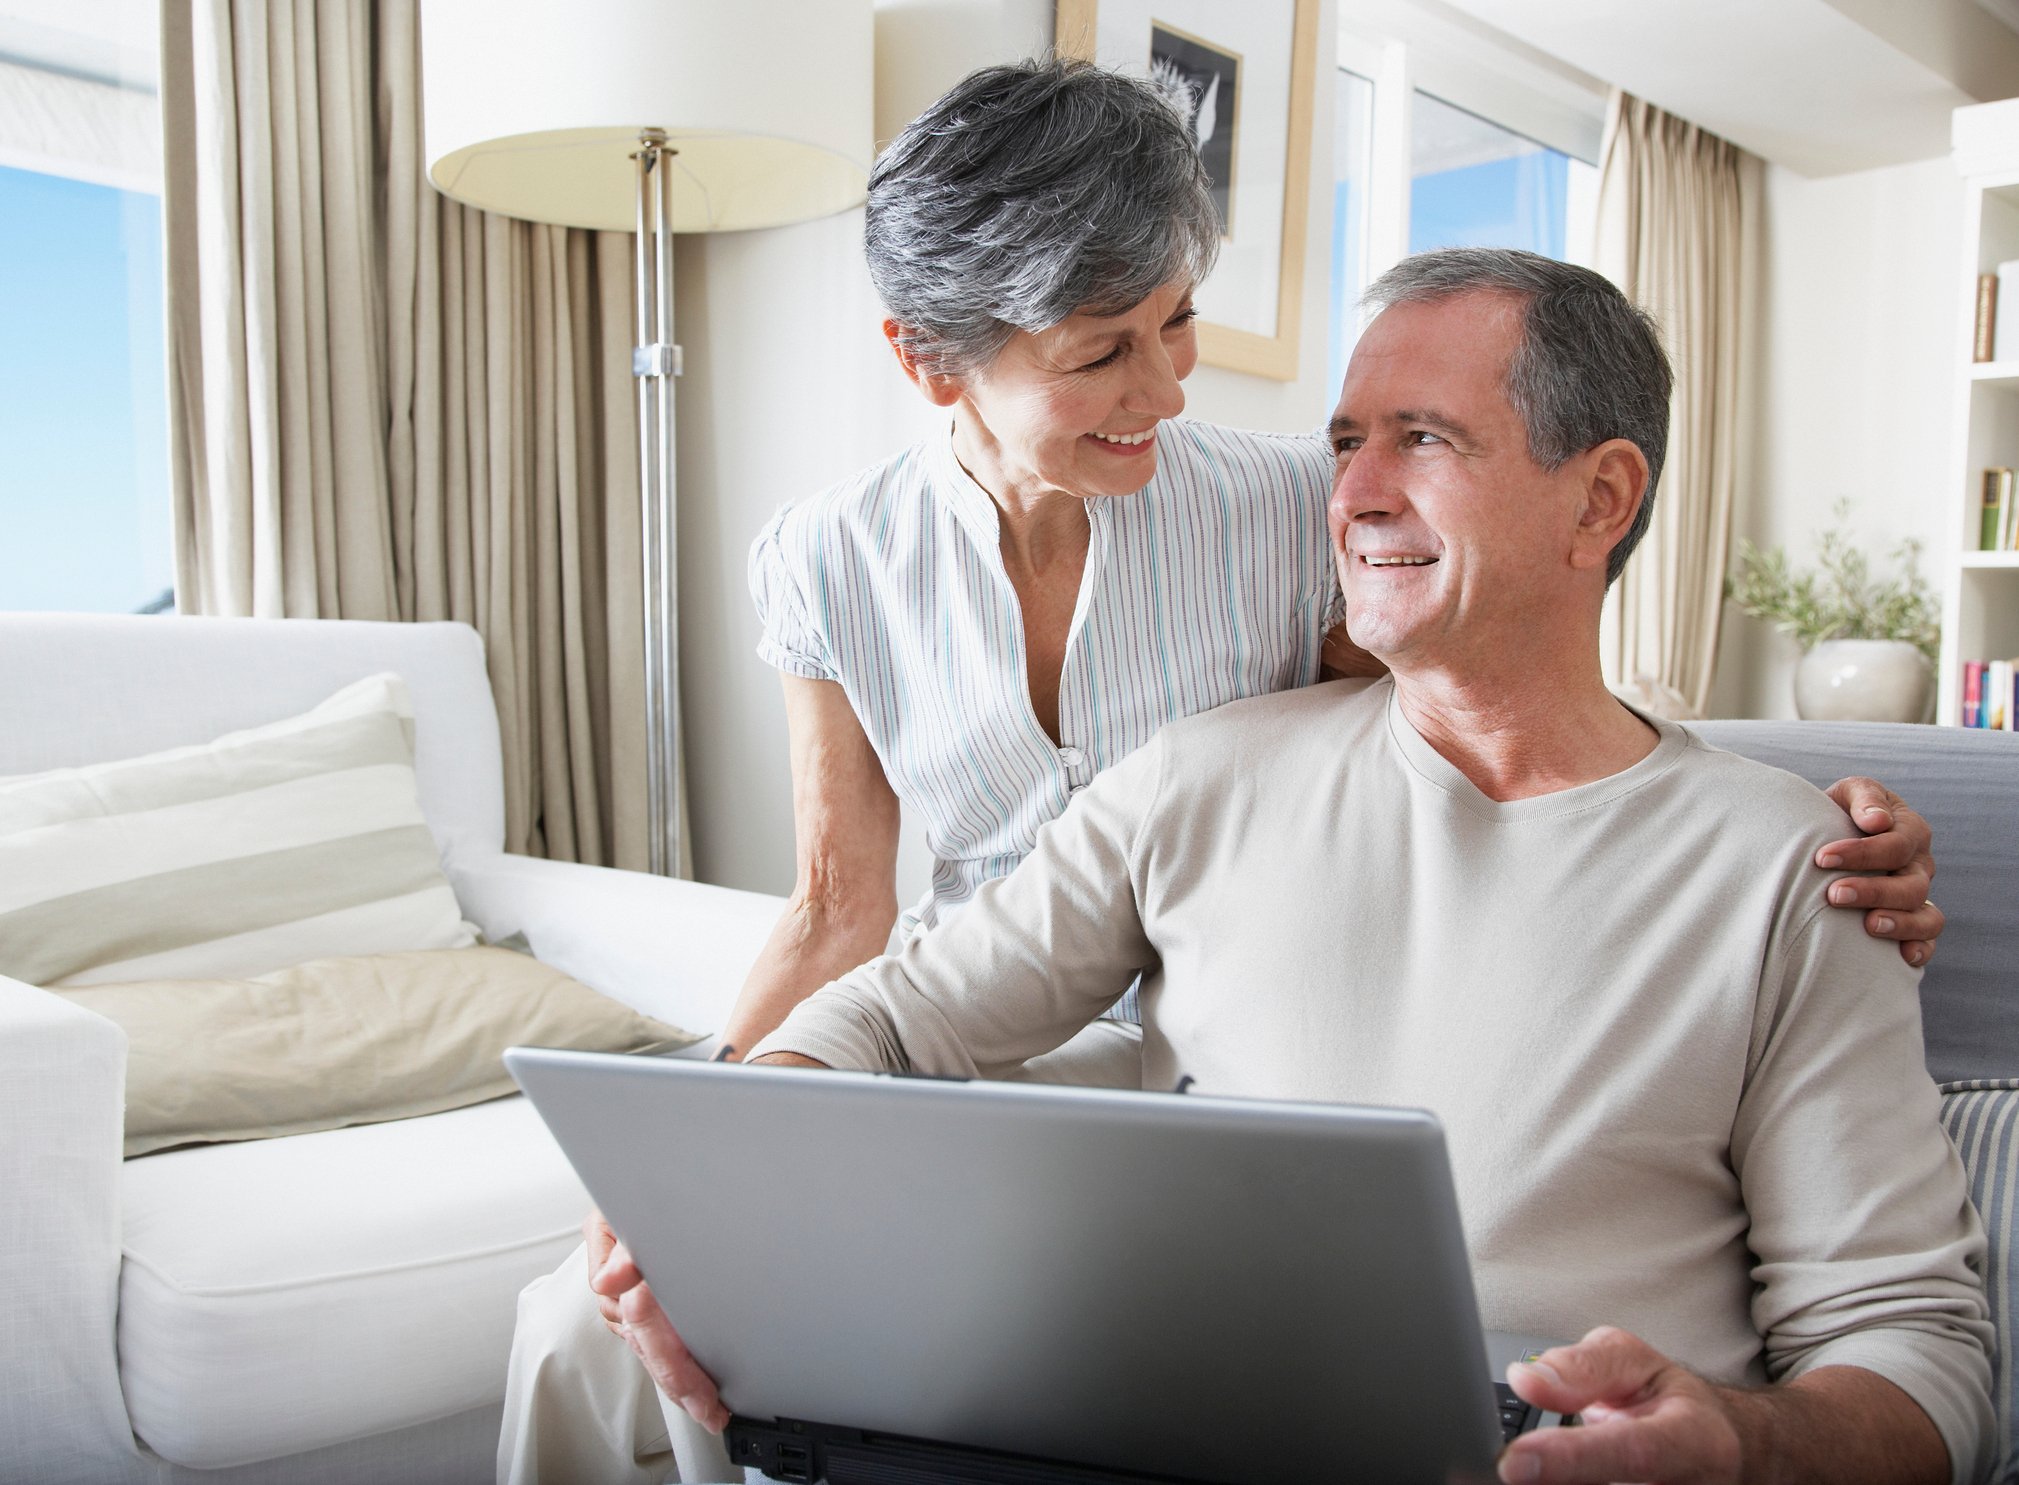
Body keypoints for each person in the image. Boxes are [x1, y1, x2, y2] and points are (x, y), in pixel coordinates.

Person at [498, 62, 1948, 1485]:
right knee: (606, 1317)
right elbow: (840, 909)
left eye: (1177, 323)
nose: (1165, 387)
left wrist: (1779, 815)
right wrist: (703, 1166)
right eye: (1100, 351)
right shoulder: (844, 562)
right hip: (995, 1018)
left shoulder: (1277, 511)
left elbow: (1497, 708)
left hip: (1194, 1040)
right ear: (932, 359)